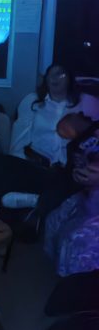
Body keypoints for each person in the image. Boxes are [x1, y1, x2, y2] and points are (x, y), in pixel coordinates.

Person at [0, 64, 99, 209]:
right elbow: (19, 139)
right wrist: (17, 166)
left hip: (69, 169)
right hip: (38, 165)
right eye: (50, 74)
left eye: (60, 74)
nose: (54, 78)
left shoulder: (87, 102)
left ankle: (38, 200)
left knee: (73, 183)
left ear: (70, 78)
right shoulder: (33, 101)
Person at [44, 115, 99, 276]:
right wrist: (77, 176)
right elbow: (73, 171)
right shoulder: (77, 144)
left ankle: (78, 284)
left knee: (77, 239)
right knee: (53, 220)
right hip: (86, 195)